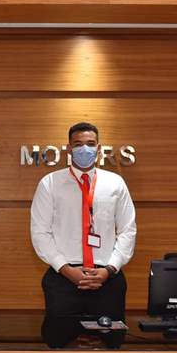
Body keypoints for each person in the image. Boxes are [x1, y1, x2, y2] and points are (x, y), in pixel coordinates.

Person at [30, 122, 136, 319]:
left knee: (110, 336)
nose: (85, 149)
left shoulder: (115, 183)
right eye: (78, 144)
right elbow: (40, 233)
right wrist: (66, 270)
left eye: (90, 144)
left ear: (98, 148)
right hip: (63, 279)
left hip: (107, 279)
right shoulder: (49, 183)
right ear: (69, 149)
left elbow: (127, 230)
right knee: (59, 336)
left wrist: (109, 269)